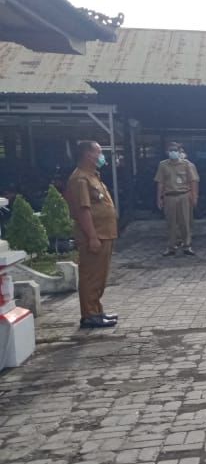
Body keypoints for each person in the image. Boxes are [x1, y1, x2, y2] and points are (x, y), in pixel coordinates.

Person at [66, 140, 119, 329]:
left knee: (99, 275)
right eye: (99, 152)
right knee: (91, 276)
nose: (102, 155)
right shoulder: (80, 179)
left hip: (104, 233)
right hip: (94, 235)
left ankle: (96, 310)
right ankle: (89, 315)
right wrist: (92, 236)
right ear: (88, 155)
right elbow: (83, 211)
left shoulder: (92, 176)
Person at [155, 142, 199, 256]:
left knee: (185, 221)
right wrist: (159, 197)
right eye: (171, 150)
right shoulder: (163, 165)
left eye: (175, 150)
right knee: (171, 223)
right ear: (167, 152)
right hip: (169, 196)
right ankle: (171, 247)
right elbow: (160, 182)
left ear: (180, 152)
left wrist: (194, 196)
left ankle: (187, 246)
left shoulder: (187, 164)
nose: (173, 152)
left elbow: (193, 181)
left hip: (184, 195)